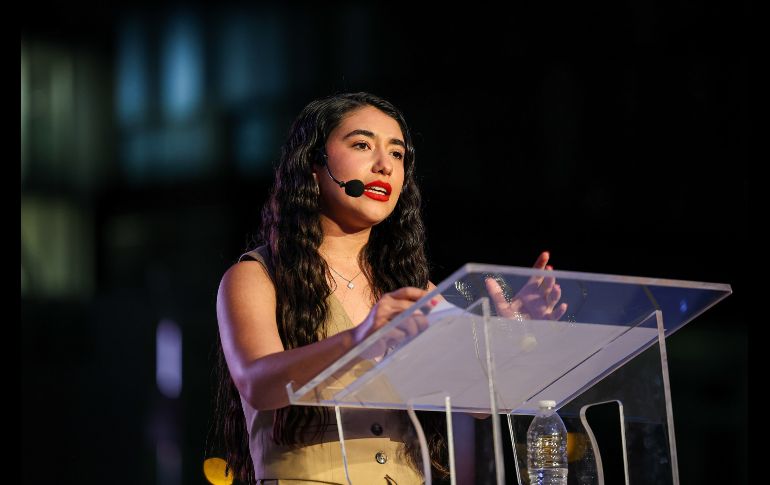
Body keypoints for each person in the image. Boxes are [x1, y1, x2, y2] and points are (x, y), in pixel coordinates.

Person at [211, 92, 567, 485]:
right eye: (362, 145)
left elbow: (480, 404)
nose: (384, 165)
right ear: (314, 164)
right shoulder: (257, 276)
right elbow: (258, 384)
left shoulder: (414, 288)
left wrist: (513, 336)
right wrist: (360, 339)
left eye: (397, 154)